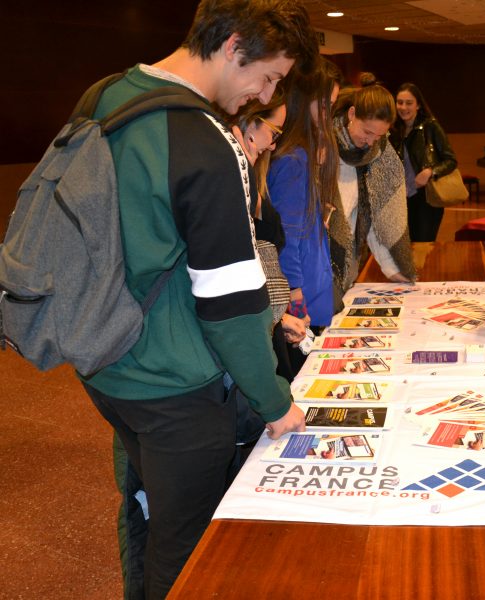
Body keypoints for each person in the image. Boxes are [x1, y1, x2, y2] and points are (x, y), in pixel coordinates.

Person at [81, 1, 318, 597]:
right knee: (189, 551)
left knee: (149, 514)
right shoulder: (204, 140)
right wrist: (273, 400)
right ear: (234, 46)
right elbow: (231, 300)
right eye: (268, 77)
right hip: (175, 387)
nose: (264, 94)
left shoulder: (107, 96)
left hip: (106, 362)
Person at [230, 95, 308, 381]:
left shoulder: (256, 176)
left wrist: (281, 317)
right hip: (249, 335)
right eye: (274, 132)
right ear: (251, 124)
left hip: (268, 325)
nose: (274, 145)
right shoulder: (228, 183)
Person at [268, 59, 342, 348]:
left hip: (313, 293)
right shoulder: (293, 160)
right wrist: (296, 296)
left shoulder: (303, 156)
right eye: (324, 105)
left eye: (331, 106)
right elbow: (286, 238)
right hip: (303, 303)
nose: (327, 116)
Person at [329, 72, 417, 309]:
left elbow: (379, 217)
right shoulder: (322, 147)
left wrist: (393, 268)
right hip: (315, 264)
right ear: (351, 114)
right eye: (367, 132)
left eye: (379, 136)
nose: (370, 142)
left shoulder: (380, 155)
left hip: (348, 266)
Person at [389, 83, 457, 242]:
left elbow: (451, 160)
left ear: (418, 105)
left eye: (409, 103)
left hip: (426, 200)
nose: (403, 107)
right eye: (400, 102)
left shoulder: (430, 126)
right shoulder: (393, 130)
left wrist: (430, 172)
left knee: (423, 248)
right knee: (404, 248)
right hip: (400, 200)